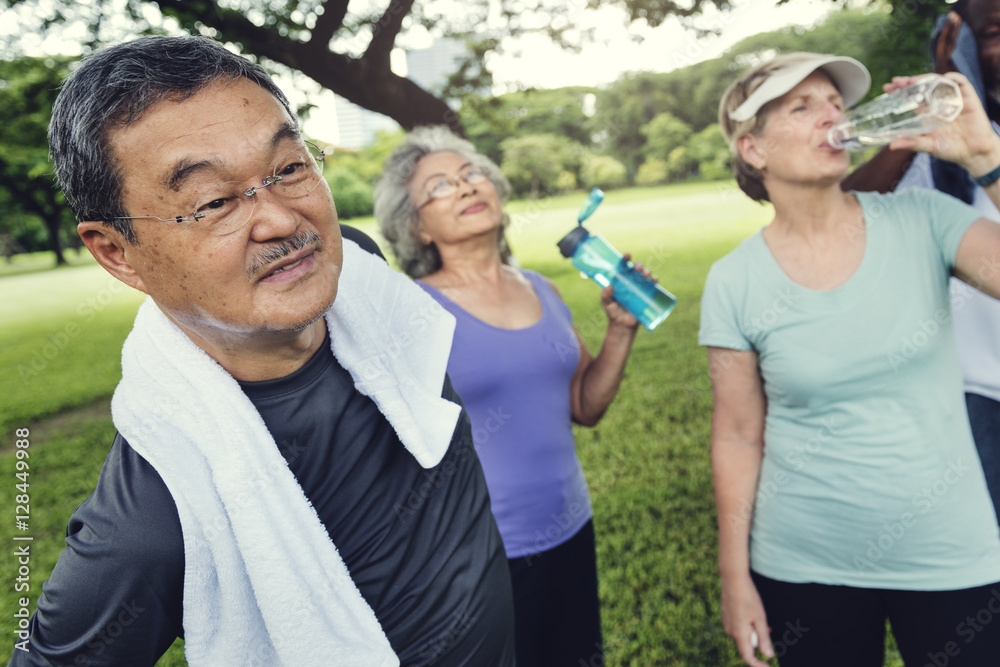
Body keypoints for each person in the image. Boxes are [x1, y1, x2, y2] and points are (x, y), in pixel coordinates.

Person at [12, 36, 516, 666]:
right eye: (214, 202)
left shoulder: (354, 262)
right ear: (117, 252)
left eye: (289, 168)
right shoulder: (151, 520)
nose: (282, 221)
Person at [702, 51, 1000, 667]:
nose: (831, 116)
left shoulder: (925, 221)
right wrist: (736, 580)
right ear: (753, 149)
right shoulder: (734, 281)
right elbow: (735, 435)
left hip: (949, 552)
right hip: (804, 563)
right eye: (801, 106)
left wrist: (987, 161)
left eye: (836, 104)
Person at [374, 126, 644, 667]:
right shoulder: (411, 314)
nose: (468, 187)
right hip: (478, 553)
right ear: (417, 227)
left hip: (570, 528)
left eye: (473, 174)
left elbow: (585, 407)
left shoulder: (543, 288)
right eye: (442, 186)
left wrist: (621, 331)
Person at [842, 0, 1000, 522]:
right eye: (992, 33)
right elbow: (846, 206)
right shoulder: (943, 153)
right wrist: (921, 109)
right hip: (978, 384)